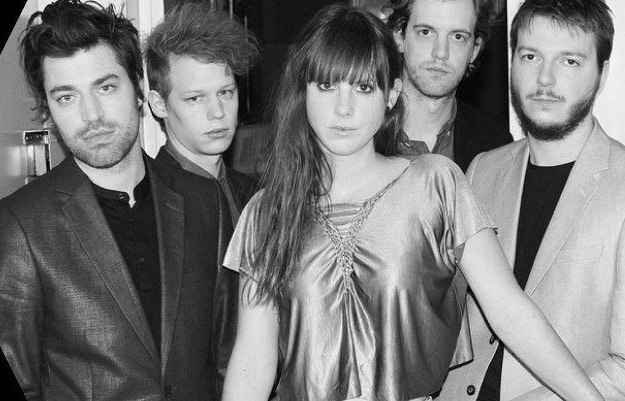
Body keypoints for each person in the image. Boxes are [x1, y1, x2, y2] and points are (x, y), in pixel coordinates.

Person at [220, 4, 604, 401]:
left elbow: (510, 312)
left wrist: (590, 398)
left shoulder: (435, 184)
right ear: (304, 92)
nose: (343, 108)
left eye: (363, 88)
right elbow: (253, 361)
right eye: (327, 86)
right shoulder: (267, 213)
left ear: (391, 95)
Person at [0, 1, 223, 399]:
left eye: (106, 87)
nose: (91, 115)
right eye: (66, 97)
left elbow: (230, 355)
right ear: (48, 110)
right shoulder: (20, 223)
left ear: (139, 89)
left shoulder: (204, 200)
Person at [438, 0, 625, 400]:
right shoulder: (482, 169)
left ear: (602, 74)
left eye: (569, 61)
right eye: (530, 56)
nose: (544, 79)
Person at [143, 7, 260, 395]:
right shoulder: (146, 202)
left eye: (226, 92)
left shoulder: (255, 194)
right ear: (159, 104)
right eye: (195, 98)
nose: (218, 113)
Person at [386, 0, 512, 172]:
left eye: (457, 37)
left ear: (474, 50)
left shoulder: (497, 144)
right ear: (399, 37)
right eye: (426, 32)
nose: (440, 53)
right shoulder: (362, 134)